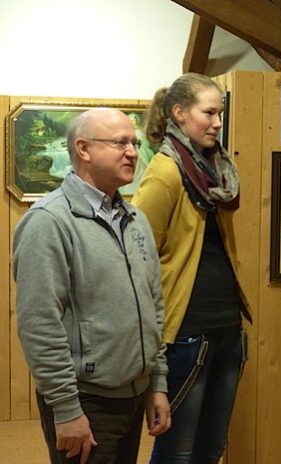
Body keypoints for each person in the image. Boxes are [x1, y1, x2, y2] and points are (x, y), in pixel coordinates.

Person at [12, 108, 171, 464]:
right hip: (84, 401)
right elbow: (39, 324)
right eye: (120, 142)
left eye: (135, 142)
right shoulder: (49, 222)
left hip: (134, 395)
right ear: (83, 149)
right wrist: (67, 409)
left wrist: (157, 381)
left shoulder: (135, 220)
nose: (133, 152)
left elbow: (153, 306)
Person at [131, 73, 252, 464]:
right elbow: (140, 255)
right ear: (180, 114)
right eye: (210, 113)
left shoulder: (216, 168)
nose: (218, 122)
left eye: (221, 113)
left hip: (226, 330)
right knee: (177, 452)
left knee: (212, 448)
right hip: (185, 334)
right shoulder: (166, 171)